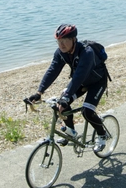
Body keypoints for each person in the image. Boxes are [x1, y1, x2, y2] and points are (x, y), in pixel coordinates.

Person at [27, 24, 108, 152]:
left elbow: (78, 76)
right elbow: (52, 71)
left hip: (97, 82)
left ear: (74, 39)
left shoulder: (87, 52)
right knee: (61, 105)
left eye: (64, 41)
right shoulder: (61, 53)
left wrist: (66, 96)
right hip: (81, 82)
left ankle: (102, 134)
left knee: (87, 112)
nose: (61, 44)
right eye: (58, 41)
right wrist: (39, 92)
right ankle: (71, 133)